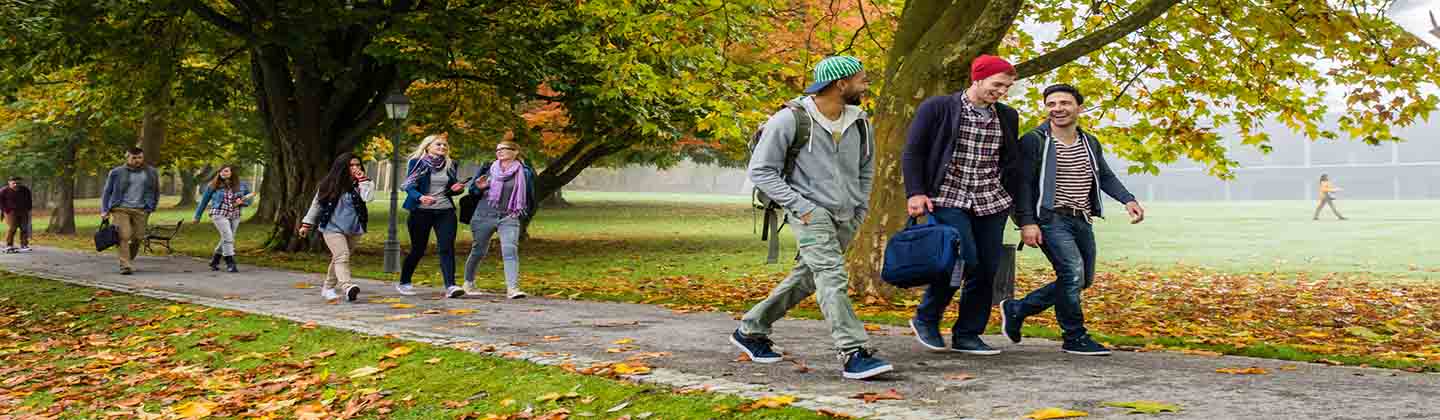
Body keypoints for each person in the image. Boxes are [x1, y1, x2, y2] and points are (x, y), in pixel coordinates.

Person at [728, 55, 892, 380]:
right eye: (861, 78)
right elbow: (762, 171)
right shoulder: (790, 120)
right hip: (809, 214)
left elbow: (865, 168)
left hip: (847, 214)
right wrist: (802, 207)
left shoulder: (859, 121)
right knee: (832, 277)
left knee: (805, 279)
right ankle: (853, 352)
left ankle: (751, 330)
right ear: (841, 84)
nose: (866, 84)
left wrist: (860, 207)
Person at [1001, 84, 1146, 356]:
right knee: (1072, 274)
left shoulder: (1089, 142)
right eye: (1052, 103)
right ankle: (1075, 336)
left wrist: (1128, 200)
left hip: (1081, 218)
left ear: (1078, 107)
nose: (1058, 109)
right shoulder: (1035, 140)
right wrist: (1027, 222)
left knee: (1082, 279)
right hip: (1050, 218)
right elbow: (1022, 184)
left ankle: (1018, 309)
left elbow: (1104, 176)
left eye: (1064, 103)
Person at [901, 55, 1024, 355]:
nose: (1002, 92)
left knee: (987, 268)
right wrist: (915, 192)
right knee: (961, 259)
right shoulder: (939, 107)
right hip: (947, 197)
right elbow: (913, 152)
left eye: (1007, 87)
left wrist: (1019, 209)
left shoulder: (1007, 116)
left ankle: (968, 334)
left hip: (990, 200)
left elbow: (1010, 163)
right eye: (997, 85)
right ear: (977, 79)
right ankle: (926, 317)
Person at [463, 139, 537, 299]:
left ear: (515, 152)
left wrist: (523, 215)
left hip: (509, 217)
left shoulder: (524, 172)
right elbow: (473, 191)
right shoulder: (488, 168)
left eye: (504, 149)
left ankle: (512, 289)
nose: (500, 151)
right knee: (478, 251)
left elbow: (530, 196)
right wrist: (479, 188)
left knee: (510, 251)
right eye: (498, 149)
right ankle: (468, 282)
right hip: (484, 216)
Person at [398, 133, 467, 298]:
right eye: (438, 145)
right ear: (428, 146)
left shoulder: (450, 164)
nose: (442, 147)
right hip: (420, 211)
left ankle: (450, 286)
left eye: (445, 145)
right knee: (418, 249)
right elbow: (409, 185)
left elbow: (450, 188)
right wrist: (421, 197)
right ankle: (404, 281)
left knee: (446, 247)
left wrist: (458, 189)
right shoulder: (417, 163)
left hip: (445, 211)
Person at [299, 153, 374, 302]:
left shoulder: (365, 183)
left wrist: (363, 181)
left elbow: (368, 198)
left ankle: (327, 288)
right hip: (332, 227)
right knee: (342, 256)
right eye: (351, 165)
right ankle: (347, 287)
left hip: (354, 227)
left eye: (358, 165)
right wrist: (306, 224)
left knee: (339, 258)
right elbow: (317, 204)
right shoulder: (328, 184)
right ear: (342, 168)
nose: (355, 168)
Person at [99, 147, 160, 275]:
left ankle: (128, 259)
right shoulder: (116, 172)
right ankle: (125, 265)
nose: (137, 160)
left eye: (140, 158)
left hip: (141, 209)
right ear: (127, 158)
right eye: (134, 158)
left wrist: (152, 207)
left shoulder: (151, 172)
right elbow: (107, 192)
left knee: (138, 237)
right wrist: (105, 210)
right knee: (124, 235)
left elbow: (155, 191)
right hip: (120, 208)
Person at [192, 165, 254, 272]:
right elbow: (204, 202)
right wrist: (197, 216)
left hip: (235, 214)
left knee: (227, 237)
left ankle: (215, 260)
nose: (223, 173)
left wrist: (243, 202)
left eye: (226, 171)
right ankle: (230, 262)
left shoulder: (241, 184)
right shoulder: (213, 185)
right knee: (228, 236)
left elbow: (250, 197)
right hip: (219, 213)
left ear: (232, 173)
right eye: (221, 171)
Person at [0, 176, 34, 253]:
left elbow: (29, 200)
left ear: (20, 183)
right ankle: (9, 245)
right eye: (13, 183)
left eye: (18, 183)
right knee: (13, 227)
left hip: (23, 211)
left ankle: (24, 245)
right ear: (9, 183)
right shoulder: (4, 190)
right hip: (10, 212)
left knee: (24, 228)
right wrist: (5, 210)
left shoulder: (25, 190)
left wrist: (28, 209)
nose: (16, 184)